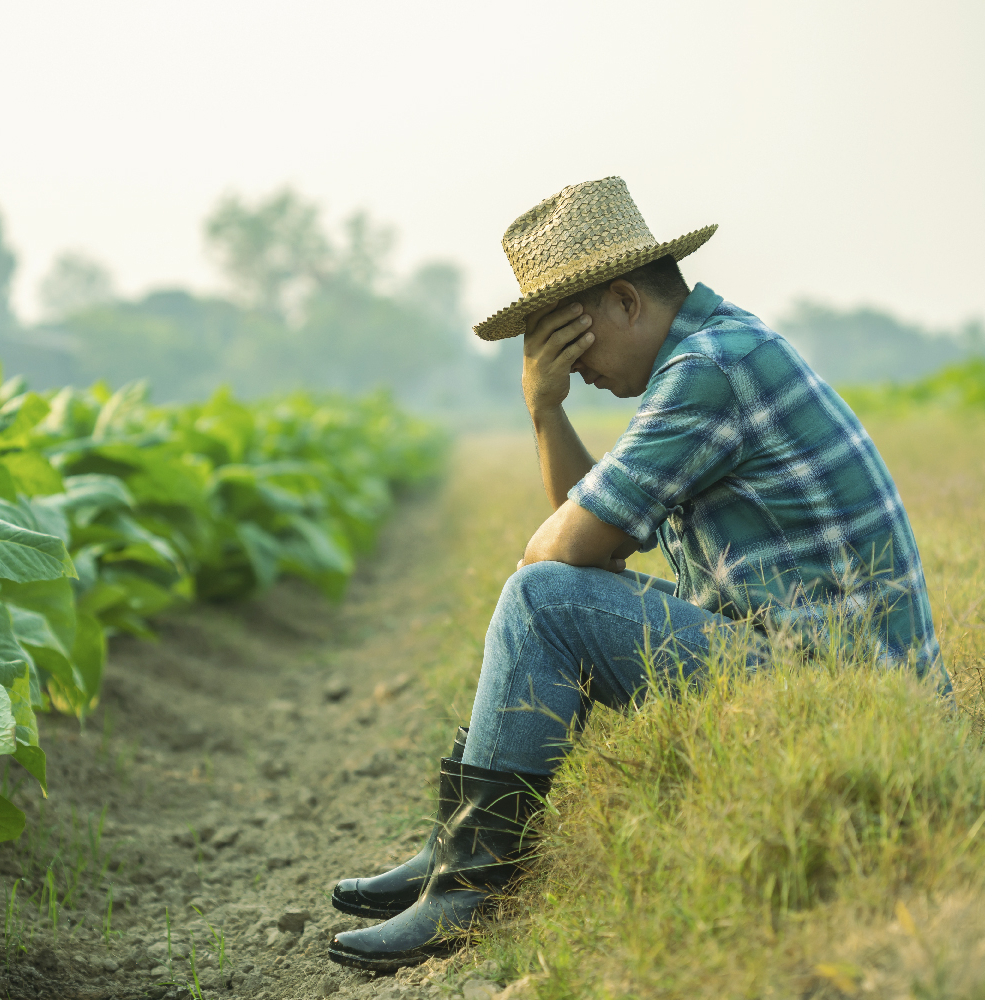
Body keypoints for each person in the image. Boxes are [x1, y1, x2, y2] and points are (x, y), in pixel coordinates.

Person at [326, 177, 944, 972]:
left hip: (848, 702)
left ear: (623, 302)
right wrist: (546, 413)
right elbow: (598, 541)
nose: (569, 370)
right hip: (836, 679)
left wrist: (547, 555)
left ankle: (469, 886)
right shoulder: (717, 349)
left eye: (566, 342)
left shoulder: (708, 371)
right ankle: (459, 853)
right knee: (546, 596)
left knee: (541, 599)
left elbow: (566, 554)